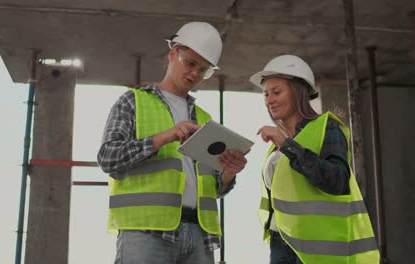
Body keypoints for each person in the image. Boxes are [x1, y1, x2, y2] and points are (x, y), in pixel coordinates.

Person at [97, 22, 248, 264]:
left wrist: (229, 174)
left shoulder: (205, 119)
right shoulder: (132, 102)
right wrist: (164, 137)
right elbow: (108, 158)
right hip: (145, 232)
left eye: (204, 69)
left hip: (200, 235)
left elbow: (213, 188)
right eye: (190, 63)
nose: (195, 74)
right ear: (172, 54)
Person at [250, 54, 380, 264]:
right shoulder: (277, 145)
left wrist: (288, 146)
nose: (269, 100)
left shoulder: (326, 128)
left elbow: (337, 181)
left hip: (316, 249)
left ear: (298, 92)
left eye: (276, 92)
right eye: (266, 94)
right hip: (282, 243)